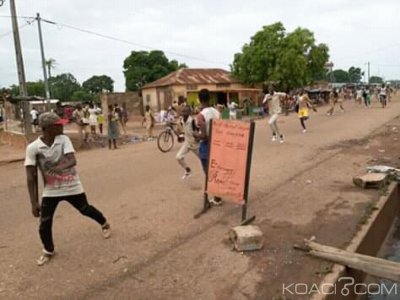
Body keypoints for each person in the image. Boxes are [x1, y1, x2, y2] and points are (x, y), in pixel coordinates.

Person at [24, 112, 111, 266]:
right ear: (47, 128)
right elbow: (31, 177)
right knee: (45, 221)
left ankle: (104, 223)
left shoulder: (63, 140)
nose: (62, 126)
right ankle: (48, 250)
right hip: (51, 190)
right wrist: (33, 203)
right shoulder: (33, 148)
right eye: (58, 125)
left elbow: (71, 160)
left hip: (71, 185)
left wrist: (52, 169)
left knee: (85, 209)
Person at [194, 89, 222, 206]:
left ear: (200, 100)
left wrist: (195, 134)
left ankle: (216, 196)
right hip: (217, 144)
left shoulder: (201, 115)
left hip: (206, 146)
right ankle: (217, 196)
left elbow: (204, 136)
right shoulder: (217, 112)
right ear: (209, 98)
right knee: (215, 170)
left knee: (208, 172)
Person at [176, 106, 199, 179]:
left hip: (194, 144)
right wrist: (180, 136)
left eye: (185, 111)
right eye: (182, 111)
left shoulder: (192, 121)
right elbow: (183, 131)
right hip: (187, 143)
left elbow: (197, 131)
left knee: (204, 160)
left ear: (189, 113)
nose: (183, 113)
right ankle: (188, 170)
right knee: (178, 157)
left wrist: (197, 137)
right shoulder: (182, 120)